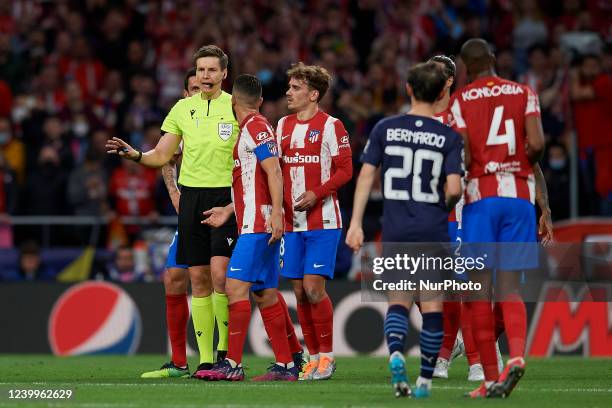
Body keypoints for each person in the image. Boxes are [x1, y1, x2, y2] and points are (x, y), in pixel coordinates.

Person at [106, 45, 239, 375]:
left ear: (224, 74)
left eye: (212, 70)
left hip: (225, 196)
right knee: (197, 278)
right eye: (200, 70)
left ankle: (227, 355)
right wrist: (136, 155)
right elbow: (162, 154)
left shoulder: (236, 107)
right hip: (192, 198)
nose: (205, 75)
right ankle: (206, 360)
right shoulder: (182, 109)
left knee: (221, 276)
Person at [346, 61, 463, 398]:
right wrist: (440, 207)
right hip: (432, 228)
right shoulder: (448, 136)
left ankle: (396, 354)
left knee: (398, 301)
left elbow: (366, 177)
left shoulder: (385, 127)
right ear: (442, 92)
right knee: (432, 304)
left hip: (395, 230)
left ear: (409, 89)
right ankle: (425, 380)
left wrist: (356, 224)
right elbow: (454, 189)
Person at [449, 38, 552, 398]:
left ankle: (489, 378)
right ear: (493, 59)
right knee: (509, 288)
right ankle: (518, 356)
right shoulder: (525, 92)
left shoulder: (461, 100)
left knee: (479, 291)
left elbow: (460, 154)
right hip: (520, 198)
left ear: (465, 66)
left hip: (481, 198)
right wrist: (517, 165)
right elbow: (537, 146)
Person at [193, 74, 295, 381]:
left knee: (234, 287)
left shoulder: (255, 127)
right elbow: (252, 183)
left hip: (259, 223)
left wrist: (276, 214)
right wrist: (228, 210)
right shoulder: (252, 129)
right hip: (255, 219)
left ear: (233, 101)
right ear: (260, 100)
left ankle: (233, 363)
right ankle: (287, 365)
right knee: (264, 293)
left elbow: (274, 171)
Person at [276, 63, 353, 381]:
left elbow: (346, 170)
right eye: (289, 87)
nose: (288, 93)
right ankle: (312, 357)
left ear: (313, 94)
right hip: (291, 224)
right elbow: (274, 171)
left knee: (313, 288)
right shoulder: (281, 125)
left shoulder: (332, 126)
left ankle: (328, 357)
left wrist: (317, 193)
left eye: (295, 88)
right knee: (298, 291)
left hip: (323, 221)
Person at [428, 55, 500, 382]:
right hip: (427, 217)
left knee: (465, 287)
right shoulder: (418, 116)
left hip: (460, 212)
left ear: (448, 81)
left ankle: (474, 361)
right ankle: (446, 350)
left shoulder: (465, 112)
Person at [141, 67, 203, 378]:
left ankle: (293, 354)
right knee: (174, 278)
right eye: (191, 87)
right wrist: (175, 195)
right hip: (191, 212)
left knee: (253, 286)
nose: (196, 92)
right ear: (184, 93)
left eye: (200, 87)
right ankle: (179, 362)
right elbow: (167, 159)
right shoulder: (180, 122)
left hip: (226, 210)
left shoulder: (225, 118)